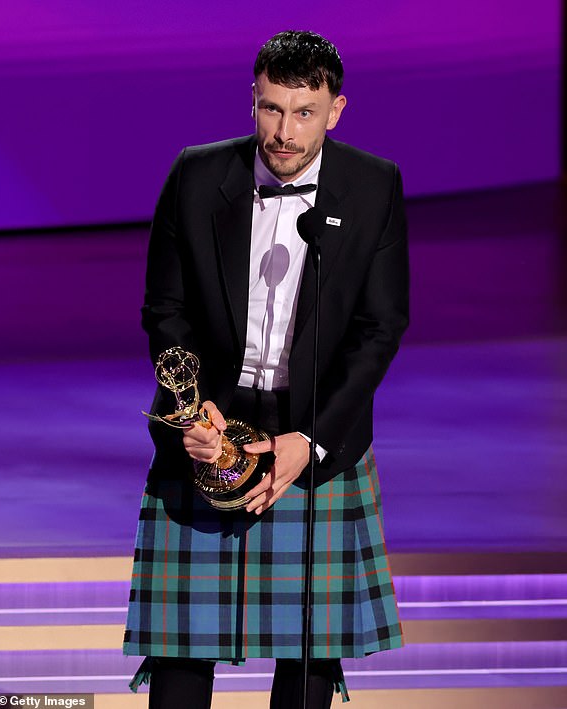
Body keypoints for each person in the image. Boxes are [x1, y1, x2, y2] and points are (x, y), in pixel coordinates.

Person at [124, 30, 409, 709]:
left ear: (336, 109)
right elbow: (165, 311)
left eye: (303, 112)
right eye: (270, 109)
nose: (284, 131)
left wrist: (308, 441)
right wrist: (192, 412)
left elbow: (380, 329)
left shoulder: (373, 186)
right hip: (210, 427)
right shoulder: (195, 176)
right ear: (252, 101)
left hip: (314, 435)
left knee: (308, 658)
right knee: (182, 654)